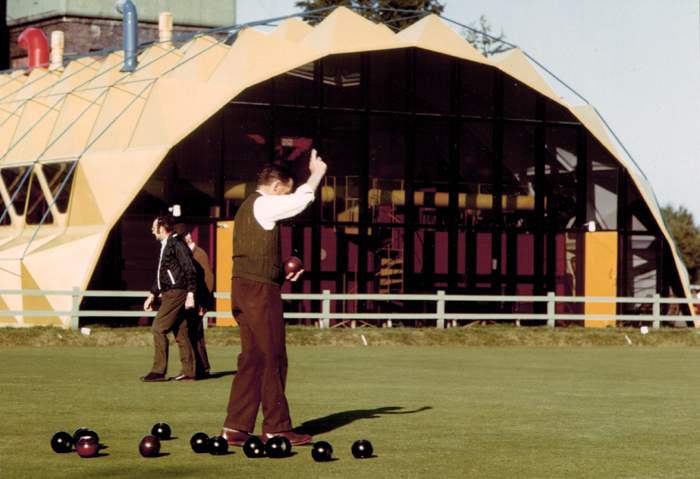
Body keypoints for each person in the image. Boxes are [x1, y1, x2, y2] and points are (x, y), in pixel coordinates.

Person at [220, 149, 327, 447]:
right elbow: (301, 201)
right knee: (273, 357)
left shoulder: (248, 208)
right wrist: (316, 175)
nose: (286, 196)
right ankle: (277, 428)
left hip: (243, 287)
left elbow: (254, 256)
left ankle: (236, 428)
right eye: (285, 191)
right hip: (259, 292)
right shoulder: (266, 204)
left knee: (251, 358)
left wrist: (280, 272)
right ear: (277, 187)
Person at [141, 214, 198, 382]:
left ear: (161, 228)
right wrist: (153, 294)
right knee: (181, 331)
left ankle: (158, 372)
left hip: (176, 292)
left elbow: (190, 270)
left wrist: (191, 293)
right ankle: (189, 372)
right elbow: (164, 275)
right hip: (171, 292)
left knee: (158, 328)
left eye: (153, 228)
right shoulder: (167, 244)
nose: (152, 232)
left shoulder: (176, 244)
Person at [174, 223, 213, 379]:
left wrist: (204, 304)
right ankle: (201, 368)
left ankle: (200, 368)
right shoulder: (190, 254)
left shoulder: (199, 254)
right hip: (191, 301)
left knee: (193, 334)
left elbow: (208, 281)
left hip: (197, 302)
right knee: (193, 334)